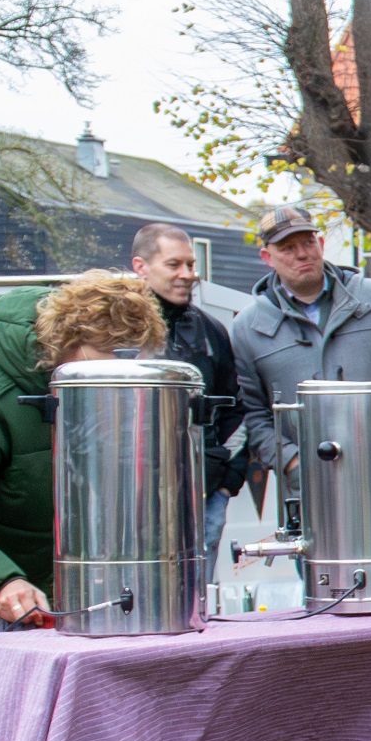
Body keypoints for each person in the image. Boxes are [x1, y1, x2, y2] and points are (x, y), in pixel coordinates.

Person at [0, 273, 167, 725]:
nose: (120, 378)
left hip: (41, 611)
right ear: (68, 341)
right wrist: (0, 582)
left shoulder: (97, 383)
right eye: (107, 360)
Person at [231, 204, 371, 487]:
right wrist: (291, 462)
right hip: (308, 488)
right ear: (267, 257)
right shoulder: (247, 327)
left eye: (308, 242)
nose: (301, 254)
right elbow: (251, 412)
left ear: (320, 244)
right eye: (287, 247)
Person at [129, 224, 247, 583]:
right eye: (174, 264)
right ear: (141, 266)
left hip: (205, 494)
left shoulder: (212, 330)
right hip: (131, 495)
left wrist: (227, 481)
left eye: (191, 265)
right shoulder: (115, 328)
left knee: (198, 607)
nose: (187, 275)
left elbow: (236, 410)